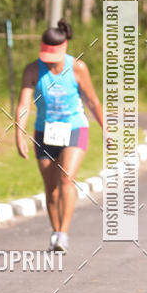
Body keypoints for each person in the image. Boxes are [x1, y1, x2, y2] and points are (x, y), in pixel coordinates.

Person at [15, 19, 108, 253]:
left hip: (75, 128)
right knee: (52, 188)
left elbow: (93, 101)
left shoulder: (78, 68)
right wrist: (19, 133)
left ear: (64, 47)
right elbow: (24, 104)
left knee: (66, 179)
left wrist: (106, 128)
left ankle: (64, 234)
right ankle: (56, 232)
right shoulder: (33, 69)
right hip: (44, 132)